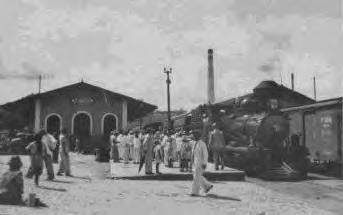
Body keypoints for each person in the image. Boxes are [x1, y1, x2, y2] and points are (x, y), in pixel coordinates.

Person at [191, 130, 213, 196]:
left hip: (200, 163)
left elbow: (206, 154)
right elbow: (193, 154)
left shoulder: (202, 144)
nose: (194, 136)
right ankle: (207, 185)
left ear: (198, 136)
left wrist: (204, 163)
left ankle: (195, 192)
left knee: (196, 178)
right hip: (194, 163)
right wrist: (191, 162)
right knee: (197, 176)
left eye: (195, 135)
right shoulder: (194, 143)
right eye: (193, 135)